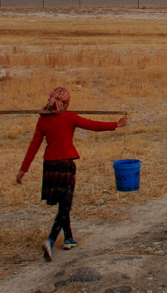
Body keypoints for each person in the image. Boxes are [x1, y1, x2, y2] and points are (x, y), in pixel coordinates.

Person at [16, 87, 128, 262]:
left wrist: (24, 168)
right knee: (65, 205)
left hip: (50, 165)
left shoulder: (43, 120)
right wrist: (117, 124)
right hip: (65, 164)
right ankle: (50, 240)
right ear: (67, 103)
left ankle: (68, 238)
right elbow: (93, 126)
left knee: (63, 201)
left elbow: (34, 145)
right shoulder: (70, 117)